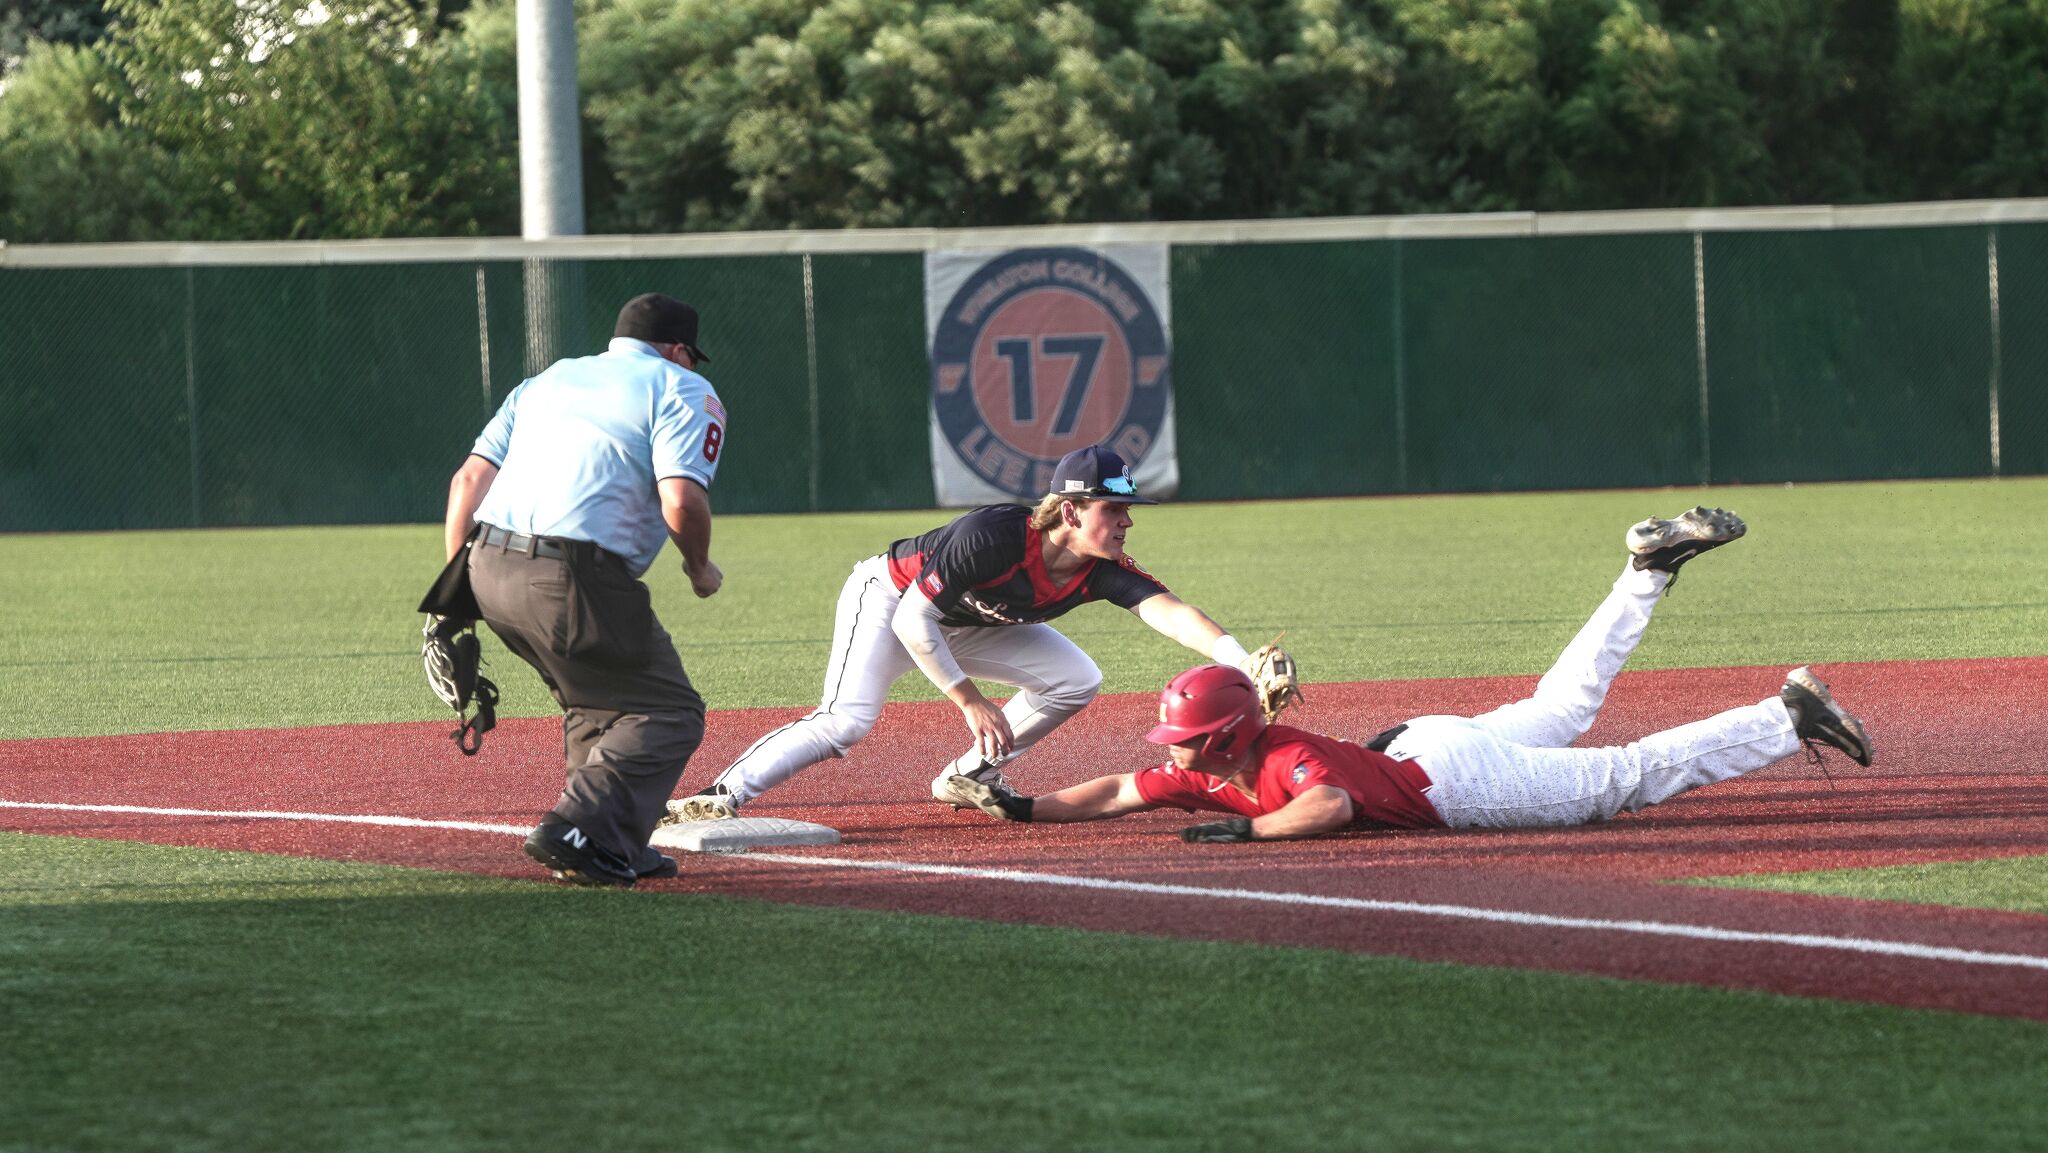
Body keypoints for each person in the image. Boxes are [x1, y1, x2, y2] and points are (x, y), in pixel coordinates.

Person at [944, 507, 1876, 842]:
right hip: (1427, 744)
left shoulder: (1281, 764)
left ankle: (1786, 715)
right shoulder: (1214, 764)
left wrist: (1257, 832)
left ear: (1223, 736)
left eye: (1184, 738)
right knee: (1562, 703)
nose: (1173, 750)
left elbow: (1326, 806)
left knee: (1621, 778)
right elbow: (1117, 789)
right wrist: (1023, 807)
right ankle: (1646, 571)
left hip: (1454, 780)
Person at [667, 444, 1280, 822]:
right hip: (891, 601)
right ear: (1070, 511)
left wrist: (1242, 658)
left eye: (1126, 509)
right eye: (1111, 508)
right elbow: (913, 619)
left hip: (971, 622)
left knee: (1076, 678)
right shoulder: (993, 537)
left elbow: (1169, 611)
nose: (1125, 521)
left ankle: (968, 775)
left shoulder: (1100, 567)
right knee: (845, 721)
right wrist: (969, 700)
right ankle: (721, 792)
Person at [441, 292, 726, 886]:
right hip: (571, 572)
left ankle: (609, 844)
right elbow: (681, 498)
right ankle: (578, 830)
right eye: (689, 357)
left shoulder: (548, 379)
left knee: (598, 703)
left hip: (485, 562)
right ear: (678, 350)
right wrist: (699, 567)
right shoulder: (681, 387)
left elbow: (467, 479)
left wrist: (457, 588)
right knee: (669, 711)